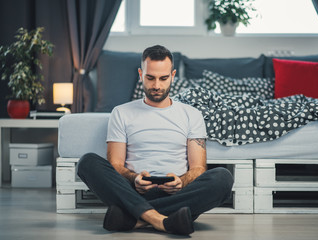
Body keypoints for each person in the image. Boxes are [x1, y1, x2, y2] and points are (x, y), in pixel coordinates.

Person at [77, 45, 234, 235]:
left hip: (178, 192)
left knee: (222, 178)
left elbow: (198, 168)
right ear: (140, 74)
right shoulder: (121, 112)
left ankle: (133, 219)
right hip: (133, 190)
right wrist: (134, 179)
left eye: (163, 78)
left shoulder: (192, 115)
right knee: (87, 162)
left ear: (173, 75)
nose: (157, 85)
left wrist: (181, 182)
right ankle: (164, 221)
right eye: (150, 78)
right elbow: (116, 164)